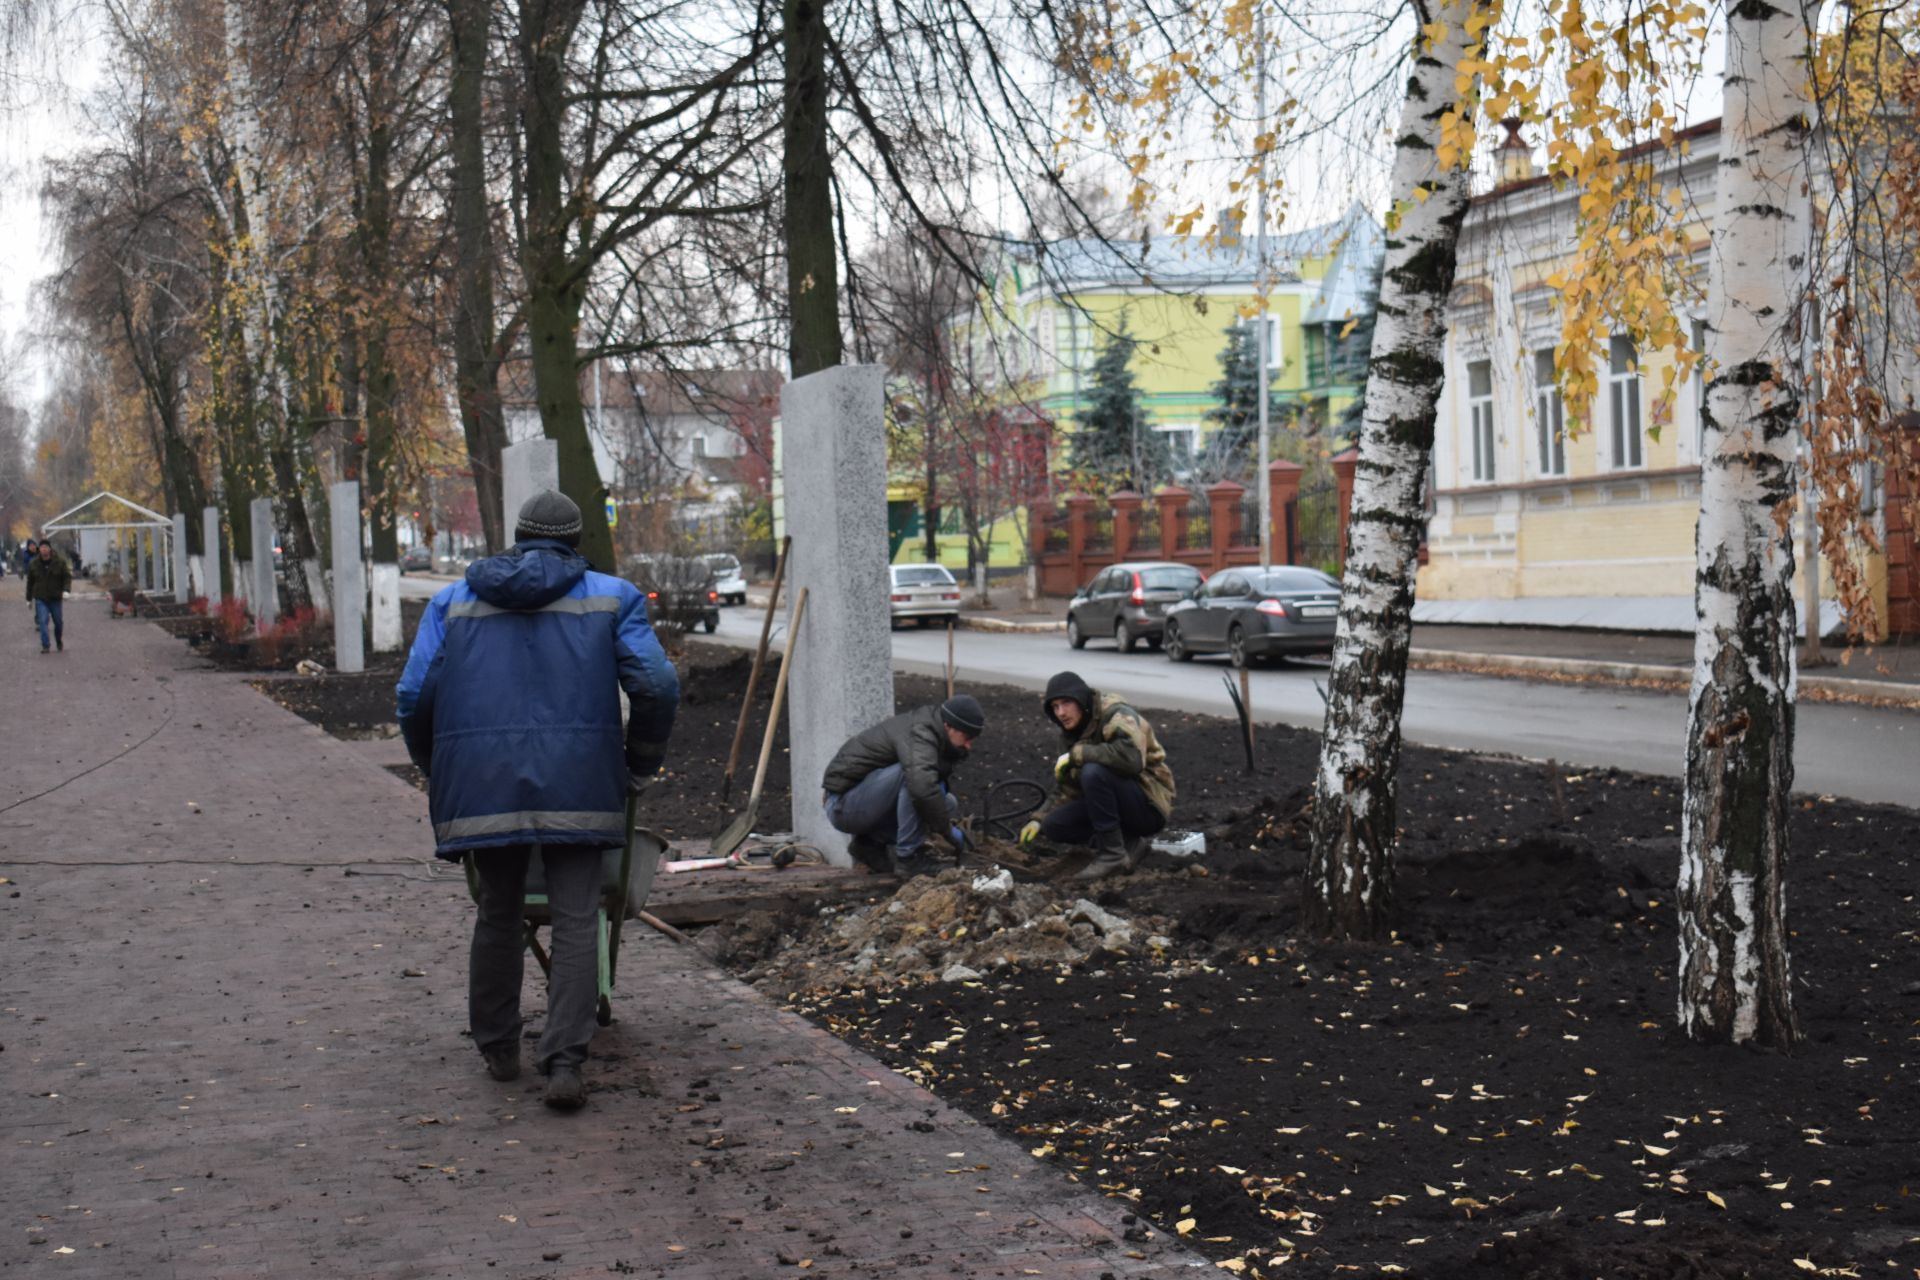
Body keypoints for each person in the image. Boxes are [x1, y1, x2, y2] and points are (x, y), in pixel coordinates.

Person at [396, 490, 679, 1111]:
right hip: (581, 781)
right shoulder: (612, 597)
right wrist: (640, 762)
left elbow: (416, 694)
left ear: (517, 536)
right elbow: (655, 685)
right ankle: (565, 1062)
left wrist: (439, 766)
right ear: (576, 541)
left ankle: (499, 1047)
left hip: (483, 781)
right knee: (578, 916)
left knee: (498, 910)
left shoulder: (453, 600)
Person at [1022, 671, 1174, 882]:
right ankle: (1129, 844)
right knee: (1054, 825)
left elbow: (1131, 759)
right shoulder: (1069, 734)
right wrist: (1038, 819)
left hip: (1148, 804)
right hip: (1115, 803)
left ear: (1081, 699)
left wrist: (1078, 755)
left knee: (1093, 771)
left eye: (1066, 703)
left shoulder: (1116, 714)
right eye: (1055, 707)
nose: (1061, 712)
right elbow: (1067, 787)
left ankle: (1112, 855)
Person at [822, 694, 984, 877]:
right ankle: (909, 859)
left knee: (947, 803)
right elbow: (921, 787)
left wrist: (946, 826)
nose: (969, 746)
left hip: (862, 802)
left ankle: (870, 845)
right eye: (967, 737)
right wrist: (949, 832)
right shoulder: (921, 732)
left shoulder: (936, 732)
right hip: (842, 805)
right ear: (948, 726)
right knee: (914, 781)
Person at [25, 540, 72, 654]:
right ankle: (45, 645)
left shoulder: (59, 562)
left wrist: (66, 590)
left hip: (55, 597)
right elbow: (30, 582)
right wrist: (28, 599)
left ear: (50, 549)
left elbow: (66, 577)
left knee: (58, 622)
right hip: (41, 598)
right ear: (39, 549)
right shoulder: (34, 564)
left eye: (46, 547)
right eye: (41, 547)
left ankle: (58, 640)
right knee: (42, 621)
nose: (44, 549)